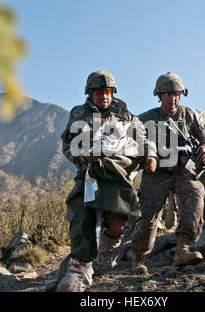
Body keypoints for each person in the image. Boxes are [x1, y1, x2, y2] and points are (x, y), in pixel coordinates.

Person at [54, 71, 157, 291]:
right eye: (99, 92)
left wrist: (150, 154)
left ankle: (106, 254)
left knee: (118, 226)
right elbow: (68, 145)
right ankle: (79, 268)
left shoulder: (123, 112)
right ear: (90, 93)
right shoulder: (79, 113)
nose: (104, 96)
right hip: (90, 172)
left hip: (117, 174)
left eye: (108, 91)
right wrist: (83, 156)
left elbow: (142, 135)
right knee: (82, 216)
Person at [130, 72, 205, 274]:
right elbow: (132, 134)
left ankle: (182, 250)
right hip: (156, 174)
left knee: (195, 194)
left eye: (176, 94)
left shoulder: (189, 114)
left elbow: (204, 137)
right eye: (167, 94)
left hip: (183, 171)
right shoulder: (146, 118)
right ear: (159, 95)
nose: (172, 98)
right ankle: (138, 260)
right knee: (148, 216)